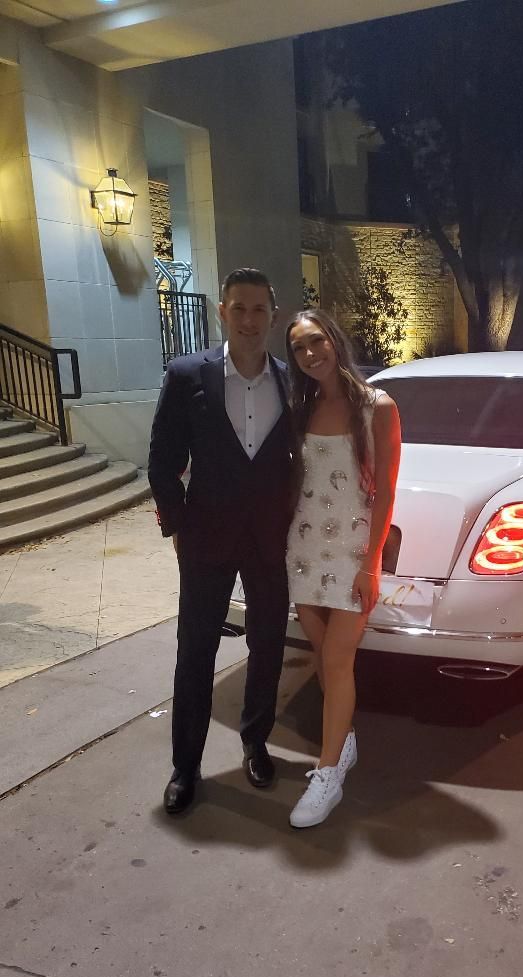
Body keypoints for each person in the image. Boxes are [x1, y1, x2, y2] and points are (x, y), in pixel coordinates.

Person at [148, 268, 293, 814]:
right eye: (240, 308)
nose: (250, 320)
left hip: (268, 541)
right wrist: (177, 525)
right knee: (196, 653)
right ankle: (185, 766)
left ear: (273, 316)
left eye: (259, 310)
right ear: (222, 312)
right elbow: (162, 461)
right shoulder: (188, 375)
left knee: (268, 645)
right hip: (206, 539)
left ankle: (255, 742)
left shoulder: (290, 381)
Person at [285, 309, 401, 828]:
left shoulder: (377, 407)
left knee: (337, 661)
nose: (311, 355)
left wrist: (372, 564)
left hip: (352, 553)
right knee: (321, 653)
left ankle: (328, 771)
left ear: (334, 339)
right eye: (299, 348)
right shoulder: (301, 406)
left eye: (317, 342)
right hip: (303, 550)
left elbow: (387, 494)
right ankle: (344, 739)